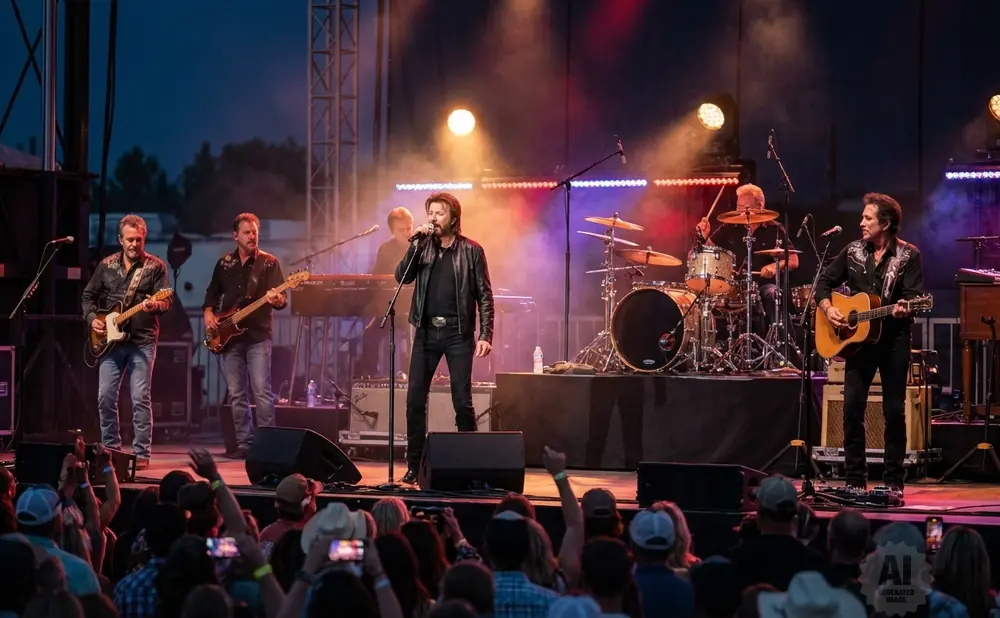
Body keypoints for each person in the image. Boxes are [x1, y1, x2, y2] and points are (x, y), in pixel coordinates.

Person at [814, 192, 923, 494]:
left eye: (867, 218)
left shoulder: (908, 255)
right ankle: (854, 481)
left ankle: (893, 482)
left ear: (885, 224)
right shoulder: (852, 251)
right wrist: (829, 309)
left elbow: (915, 297)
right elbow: (823, 284)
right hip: (858, 343)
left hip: (893, 341)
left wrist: (905, 308)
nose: (861, 222)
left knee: (893, 412)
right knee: (851, 410)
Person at [395, 193, 494, 485]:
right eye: (431, 213)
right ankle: (414, 466)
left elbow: (485, 295)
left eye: (440, 213)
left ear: (453, 218)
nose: (433, 218)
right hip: (425, 332)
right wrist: (414, 244)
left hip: (457, 334)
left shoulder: (472, 251)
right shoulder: (422, 247)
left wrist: (485, 334)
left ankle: (470, 467)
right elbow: (402, 277)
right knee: (414, 401)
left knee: (462, 402)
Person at [82, 214, 172, 467]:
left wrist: (155, 305)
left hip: (142, 340)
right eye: (130, 240)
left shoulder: (155, 267)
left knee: (140, 397)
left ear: (144, 239)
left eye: (138, 240)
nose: (134, 244)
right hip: (110, 341)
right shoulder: (106, 265)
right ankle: (112, 451)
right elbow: (88, 296)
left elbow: (166, 300)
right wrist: (92, 319)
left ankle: (142, 454)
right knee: (105, 397)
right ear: (120, 240)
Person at [203, 213, 288, 459]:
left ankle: (269, 445)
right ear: (235, 236)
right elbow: (212, 293)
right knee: (237, 393)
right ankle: (244, 444)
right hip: (229, 337)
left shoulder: (269, 262)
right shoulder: (224, 263)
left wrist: (277, 299)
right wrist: (208, 313)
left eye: (255, 232)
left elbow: (282, 300)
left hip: (258, 335)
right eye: (247, 233)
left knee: (262, 391)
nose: (252, 236)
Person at [695, 183, 799, 332]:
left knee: (773, 294)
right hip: (736, 287)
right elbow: (707, 251)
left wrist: (774, 267)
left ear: (760, 207)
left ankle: (780, 341)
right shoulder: (731, 226)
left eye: (744, 208)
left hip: (764, 286)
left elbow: (794, 260)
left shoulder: (775, 229)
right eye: (738, 206)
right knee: (705, 297)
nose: (739, 212)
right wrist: (703, 237)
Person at [359, 207, 415, 377]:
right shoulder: (385, 249)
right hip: (390, 308)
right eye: (401, 230)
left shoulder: (419, 246)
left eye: (408, 228)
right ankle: (371, 377)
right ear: (392, 231)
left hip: (415, 310)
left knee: (414, 335)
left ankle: (412, 376)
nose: (406, 233)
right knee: (369, 334)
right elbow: (377, 279)